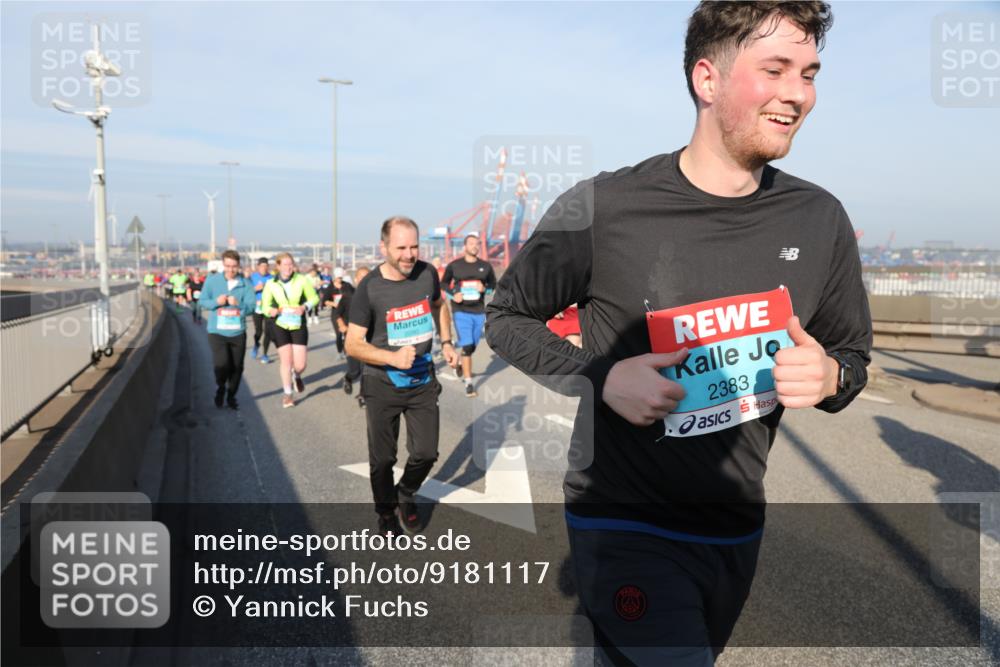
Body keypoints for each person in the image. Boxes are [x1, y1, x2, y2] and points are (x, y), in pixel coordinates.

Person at [485, 2, 872, 663]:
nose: (796, 94)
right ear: (707, 78)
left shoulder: (820, 219)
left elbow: (850, 355)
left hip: (735, 526)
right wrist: (601, 377)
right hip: (621, 516)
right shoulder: (604, 206)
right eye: (774, 68)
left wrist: (832, 376)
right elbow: (506, 317)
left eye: (808, 73)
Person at [346, 217, 457, 537]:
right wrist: (391, 357)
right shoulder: (369, 287)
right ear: (384, 247)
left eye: (414, 246)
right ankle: (385, 512)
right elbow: (353, 344)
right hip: (382, 383)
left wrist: (446, 342)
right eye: (401, 248)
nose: (409, 254)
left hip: (421, 378)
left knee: (426, 453)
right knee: (383, 460)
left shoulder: (427, 274)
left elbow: (439, 305)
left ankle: (406, 492)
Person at [197, 250, 257, 410]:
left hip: (237, 332)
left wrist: (239, 305)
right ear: (223, 265)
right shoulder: (212, 281)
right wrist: (216, 302)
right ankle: (221, 386)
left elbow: (252, 308)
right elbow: (202, 301)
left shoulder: (246, 284)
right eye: (228, 266)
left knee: (237, 367)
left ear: (239, 266)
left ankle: (231, 395)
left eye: (234, 266)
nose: (231, 270)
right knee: (222, 364)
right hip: (217, 331)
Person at [261, 253, 320, 408]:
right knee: (286, 361)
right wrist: (271, 311)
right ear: (278, 266)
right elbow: (264, 306)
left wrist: (304, 307)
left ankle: (297, 374)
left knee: (300, 364)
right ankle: (288, 395)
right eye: (285, 264)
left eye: (290, 264)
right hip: (280, 324)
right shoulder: (270, 284)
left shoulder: (301, 280)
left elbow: (314, 298)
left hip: (298, 323)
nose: (288, 267)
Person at [441, 234, 496, 397]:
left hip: (478, 311)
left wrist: (484, 289)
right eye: (471, 243)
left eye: (477, 244)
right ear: (465, 246)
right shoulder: (455, 265)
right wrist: (453, 295)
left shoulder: (485, 267)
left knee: (471, 346)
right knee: (466, 345)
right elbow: (443, 283)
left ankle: (460, 365)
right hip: (460, 310)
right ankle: (469, 383)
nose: (475, 246)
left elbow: (493, 286)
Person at [334, 266, 369, 407]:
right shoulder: (348, 296)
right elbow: (337, 313)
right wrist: (341, 324)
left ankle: (363, 396)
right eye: (361, 278)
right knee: (355, 370)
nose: (364, 280)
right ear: (356, 279)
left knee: (367, 369)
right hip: (352, 338)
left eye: (367, 277)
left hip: (369, 340)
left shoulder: (375, 296)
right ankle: (348, 378)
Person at [249, 257, 274, 363]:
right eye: (262, 266)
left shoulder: (272, 278)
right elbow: (247, 292)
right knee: (259, 331)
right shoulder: (252, 277)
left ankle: (265, 354)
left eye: (265, 266)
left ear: (268, 267)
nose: (264, 268)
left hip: (268, 308)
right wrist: (255, 289)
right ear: (258, 267)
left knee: (268, 332)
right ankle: (256, 344)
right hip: (257, 307)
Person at [322, 267, 351, 356]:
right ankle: (340, 351)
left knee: (347, 332)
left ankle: (347, 351)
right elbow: (325, 301)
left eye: (341, 278)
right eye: (338, 278)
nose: (340, 280)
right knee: (339, 333)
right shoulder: (330, 287)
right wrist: (334, 304)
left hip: (346, 313)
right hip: (336, 313)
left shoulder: (347, 285)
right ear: (334, 277)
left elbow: (354, 295)